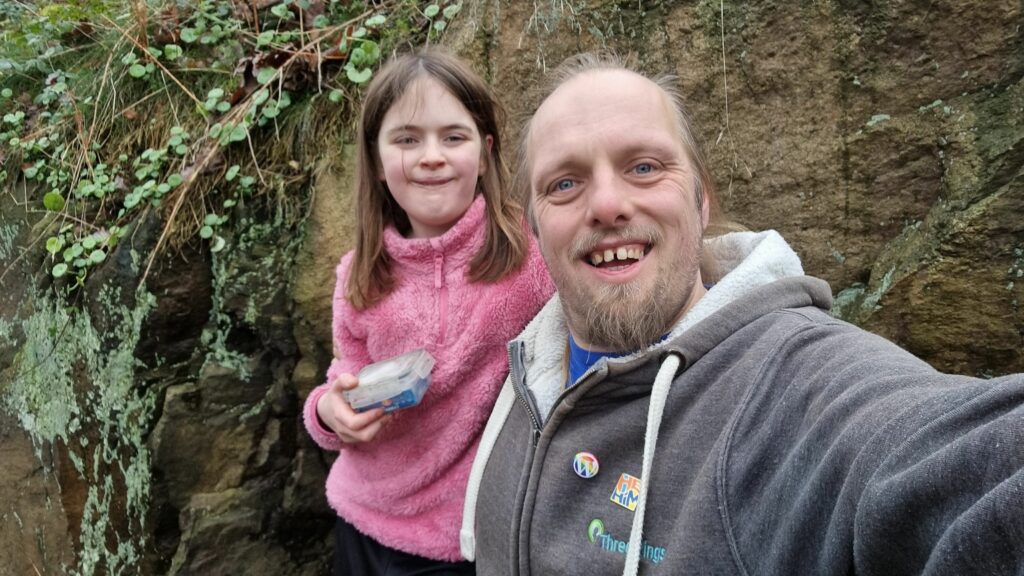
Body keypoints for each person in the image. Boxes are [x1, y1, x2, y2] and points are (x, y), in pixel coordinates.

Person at [459, 52, 1024, 576]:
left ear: (701, 201)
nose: (607, 204)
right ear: (534, 227)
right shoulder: (526, 374)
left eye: (645, 167)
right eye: (564, 183)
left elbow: (949, 462)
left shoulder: (795, 384)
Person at [302, 48, 553, 576]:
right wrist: (329, 412)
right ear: (375, 159)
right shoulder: (359, 273)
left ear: (484, 153)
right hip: (361, 517)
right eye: (407, 139)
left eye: (453, 137)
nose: (431, 155)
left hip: (473, 536)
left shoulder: (529, 260)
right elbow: (344, 374)